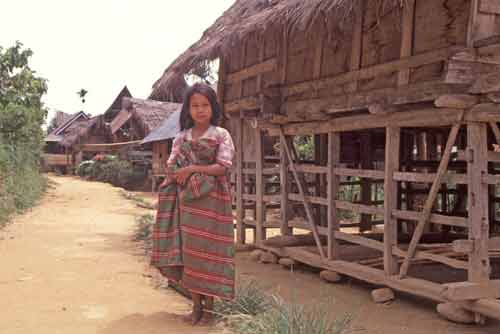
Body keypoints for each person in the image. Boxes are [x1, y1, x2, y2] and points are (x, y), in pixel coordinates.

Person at [151, 83, 235, 325]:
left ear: (213, 107)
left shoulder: (221, 135)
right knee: (191, 255)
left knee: (210, 253)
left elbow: (222, 167)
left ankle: (210, 311)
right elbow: (171, 165)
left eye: (205, 105)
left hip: (213, 204)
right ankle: (196, 307)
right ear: (188, 109)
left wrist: (191, 168)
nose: (200, 110)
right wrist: (176, 172)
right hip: (187, 205)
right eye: (195, 105)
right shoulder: (181, 137)